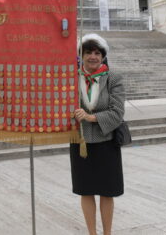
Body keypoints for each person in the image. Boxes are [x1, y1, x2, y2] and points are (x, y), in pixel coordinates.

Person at [71, 33, 125, 235]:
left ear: (103, 56)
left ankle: (107, 233)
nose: (92, 56)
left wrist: (90, 117)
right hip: (81, 143)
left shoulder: (113, 79)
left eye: (97, 53)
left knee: (106, 191)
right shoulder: (72, 78)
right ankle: (92, 233)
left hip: (106, 143)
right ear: (81, 55)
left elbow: (117, 112)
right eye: (88, 52)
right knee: (85, 191)